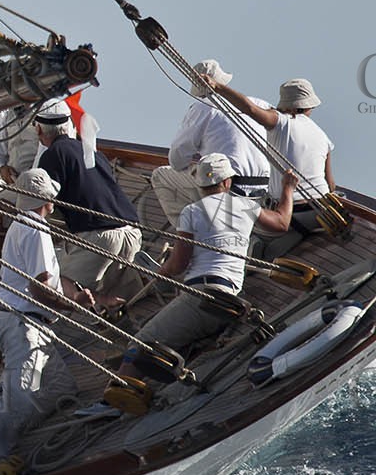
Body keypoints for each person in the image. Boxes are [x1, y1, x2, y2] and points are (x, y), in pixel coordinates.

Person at [87, 154, 297, 411]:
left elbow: (178, 265)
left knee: (139, 344)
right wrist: (288, 188)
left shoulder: (192, 211)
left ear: (199, 184)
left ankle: (111, 404)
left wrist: (158, 275)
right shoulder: (246, 206)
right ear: (228, 181)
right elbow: (282, 223)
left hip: (201, 298)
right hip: (229, 296)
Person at [0, 169, 80, 475]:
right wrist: (74, 307)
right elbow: (41, 286)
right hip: (24, 323)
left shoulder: (21, 224)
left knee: (61, 388)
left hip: (24, 322)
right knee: (19, 401)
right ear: (48, 200)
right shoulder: (35, 227)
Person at [34, 97, 144, 303]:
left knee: (53, 280)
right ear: (68, 126)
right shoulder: (93, 153)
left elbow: (45, 204)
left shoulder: (52, 155)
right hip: (132, 234)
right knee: (115, 292)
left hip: (101, 238)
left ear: (39, 130)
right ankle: (106, 301)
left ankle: (83, 299)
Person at [200, 73, 334, 239]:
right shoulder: (323, 136)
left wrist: (218, 87)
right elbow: (331, 186)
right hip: (322, 212)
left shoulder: (283, 122)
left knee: (236, 225)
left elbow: (251, 109)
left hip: (293, 214)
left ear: (289, 107)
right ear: (309, 107)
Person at [151, 60, 272, 227]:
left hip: (229, 188)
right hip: (264, 190)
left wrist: (195, 165)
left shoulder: (202, 108)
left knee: (161, 175)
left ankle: (189, 234)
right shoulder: (260, 104)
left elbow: (177, 160)